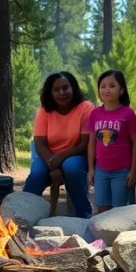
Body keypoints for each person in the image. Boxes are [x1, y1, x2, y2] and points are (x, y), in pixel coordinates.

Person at [25, 72, 94, 219]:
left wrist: (61, 158)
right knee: (37, 174)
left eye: (65, 88)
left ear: (73, 88)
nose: (61, 93)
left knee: (71, 167)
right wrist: (54, 166)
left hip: (76, 155)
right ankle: (20, 215)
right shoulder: (44, 111)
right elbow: (40, 144)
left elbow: (84, 144)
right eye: (56, 90)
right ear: (50, 93)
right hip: (48, 157)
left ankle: (84, 216)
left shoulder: (86, 107)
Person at [87, 70, 136, 213]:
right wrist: (91, 169)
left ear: (121, 89)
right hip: (101, 171)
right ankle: (104, 236)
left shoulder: (128, 114)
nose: (106, 90)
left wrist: (134, 170)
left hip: (122, 171)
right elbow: (92, 142)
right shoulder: (94, 114)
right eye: (102, 86)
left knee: (121, 211)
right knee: (102, 208)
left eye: (112, 86)